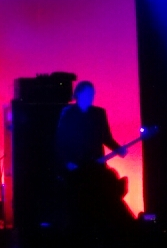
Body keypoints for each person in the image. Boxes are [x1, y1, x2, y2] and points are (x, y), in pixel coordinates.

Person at [54, 81, 130, 233]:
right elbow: (61, 141)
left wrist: (118, 149)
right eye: (88, 94)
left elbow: (106, 137)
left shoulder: (99, 114)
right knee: (80, 201)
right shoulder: (68, 114)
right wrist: (67, 162)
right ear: (78, 94)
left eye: (92, 94)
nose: (91, 97)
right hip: (76, 166)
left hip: (96, 164)